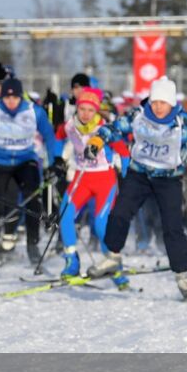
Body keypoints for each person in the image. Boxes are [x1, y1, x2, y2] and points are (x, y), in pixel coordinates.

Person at [83, 77, 187, 301]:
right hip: (139, 174)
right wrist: (97, 141)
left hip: (168, 179)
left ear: (172, 103)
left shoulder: (183, 122)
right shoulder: (138, 116)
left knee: (172, 226)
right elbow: (114, 128)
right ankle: (112, 257)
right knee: (120, 213)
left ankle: (183, 275)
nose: (158, 107)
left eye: (163, 102)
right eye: (155, 102)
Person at [0, 77, 60, 277]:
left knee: (32, 199)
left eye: (15, 98)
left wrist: (54, 162)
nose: (11, 102)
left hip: (25, 160)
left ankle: (32, 247)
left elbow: (50, 137)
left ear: (20, 96)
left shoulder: (34, 112)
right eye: (7, 98)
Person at [57, 87, 128, 288]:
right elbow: (56, 137)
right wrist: (56, 160)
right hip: (81, 177)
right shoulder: (70, 126)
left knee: (100, 224)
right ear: (77, 109)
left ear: (96, 111)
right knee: (65, 214)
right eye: (82, 109)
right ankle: (72, 261)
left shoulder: (105, 129)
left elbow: (123, 152)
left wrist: (127, 177)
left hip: (104, 179)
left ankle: (115, 267)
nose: (86, 114)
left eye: (90, 110)